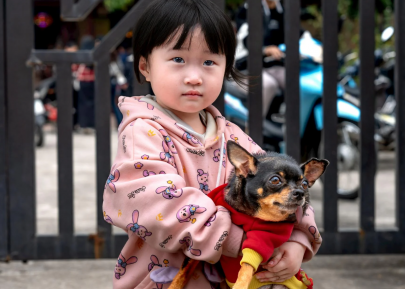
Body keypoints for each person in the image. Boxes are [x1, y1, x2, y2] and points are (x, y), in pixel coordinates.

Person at [102, 1, 321, 288]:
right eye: (178, 60)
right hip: (164, 280)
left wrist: (296, 242)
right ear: (145, 66)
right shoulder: (143, 131)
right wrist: (240, 241)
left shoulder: (232, 135)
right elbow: (156, 202)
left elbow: (282, 185)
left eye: (209, 62)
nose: (194, 76)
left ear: (225, 68)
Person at [76, 35, 96, 133]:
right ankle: (92, 124)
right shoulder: (94, 53)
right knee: (93, 103)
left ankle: (83, 124)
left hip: (82, 81)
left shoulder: (80, 53)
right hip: (93, 80)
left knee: (83, 103)